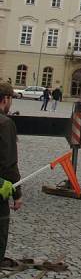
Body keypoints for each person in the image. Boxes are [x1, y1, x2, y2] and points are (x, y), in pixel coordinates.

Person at [0, 82, 23, 267]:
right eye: (11, 99)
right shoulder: (5, 123)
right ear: (5, 99)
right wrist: (17, 193)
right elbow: (8, 163)